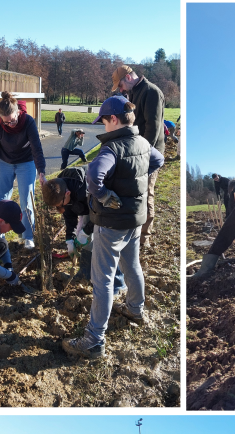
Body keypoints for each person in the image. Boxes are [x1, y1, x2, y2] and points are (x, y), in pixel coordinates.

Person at [62, 96, 164, 359]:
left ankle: (94, 339)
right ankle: (135, 308)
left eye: (105, 121)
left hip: (111, 223)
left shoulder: (111, 149)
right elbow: (159, 160)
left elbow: (93, 179)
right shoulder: (142, 143)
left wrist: (106, 195)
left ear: (115, 120)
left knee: (103, 280)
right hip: (135, 219)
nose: (103, 126)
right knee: (132, 266)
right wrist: (134, 179)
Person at [0, 92, 46, 249]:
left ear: (18, 112)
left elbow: (36, 148)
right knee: (1, 200)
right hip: (5, 162)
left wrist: (41, 172)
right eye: (6, 122)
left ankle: (28, 236)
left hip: (26, 162)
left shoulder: (28, 122)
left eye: (13, 120)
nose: (10, 124)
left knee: (27, 200)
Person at [112, 65, 165, 251]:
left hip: (149, 153)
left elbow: (153, 126)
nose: (120, 90)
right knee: (136, 190)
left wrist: (143, 154)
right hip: (136, 151)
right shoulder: (135, 93)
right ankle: (134, 229)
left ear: (128, 77)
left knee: (146, 192)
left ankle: (145, 237)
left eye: (120, 85)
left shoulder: (151, 92)